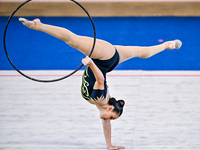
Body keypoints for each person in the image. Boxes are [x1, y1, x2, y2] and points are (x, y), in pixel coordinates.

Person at [19, 17, 182, 150]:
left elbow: (106, 123)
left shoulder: (102, 106)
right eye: (111, 117)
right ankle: (37, 26)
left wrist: (109, 145)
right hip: (104, 58)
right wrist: (90, 63)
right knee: (72, 40)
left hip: (112, 61)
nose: (107, 120)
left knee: (141, 52)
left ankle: (166, 45)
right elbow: (100, 80)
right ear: (110, 108)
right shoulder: (100, 100)